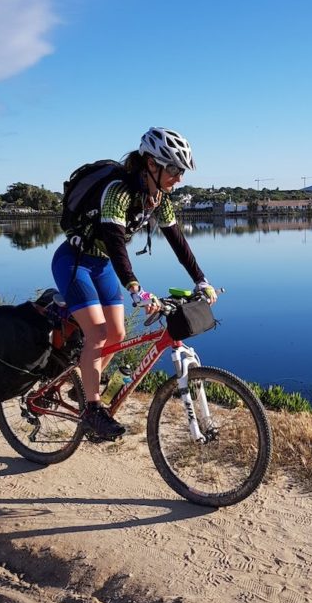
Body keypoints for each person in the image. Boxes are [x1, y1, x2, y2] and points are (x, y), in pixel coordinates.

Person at [51, 127, 217, 441]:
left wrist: (201, 280)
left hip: (101, 266)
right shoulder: (118, 191)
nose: (178, 178)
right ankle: (92, 410)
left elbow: (178, 242)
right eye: (174, 170)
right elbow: (115, 243)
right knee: (98, 333)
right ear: (150, 164)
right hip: (74, 262)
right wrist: (135, 289)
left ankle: (86, 388)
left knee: (117, 333)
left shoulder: (158, 198)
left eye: (181, 171)